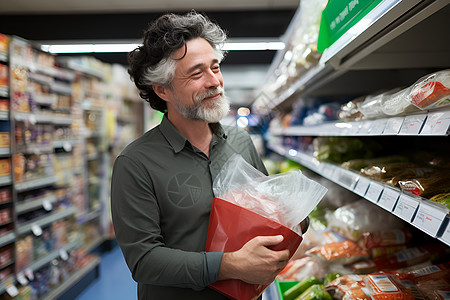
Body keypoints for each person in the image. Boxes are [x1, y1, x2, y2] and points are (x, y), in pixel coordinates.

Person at [110, 11, 308, 300]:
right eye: (197, 72)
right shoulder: (136, 163)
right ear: (163, 89)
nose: (214, 81)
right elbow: (144, 261)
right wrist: (230, 265)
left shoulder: (240, 141)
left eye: (215, 67)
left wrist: (296, 218)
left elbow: (269, 209)